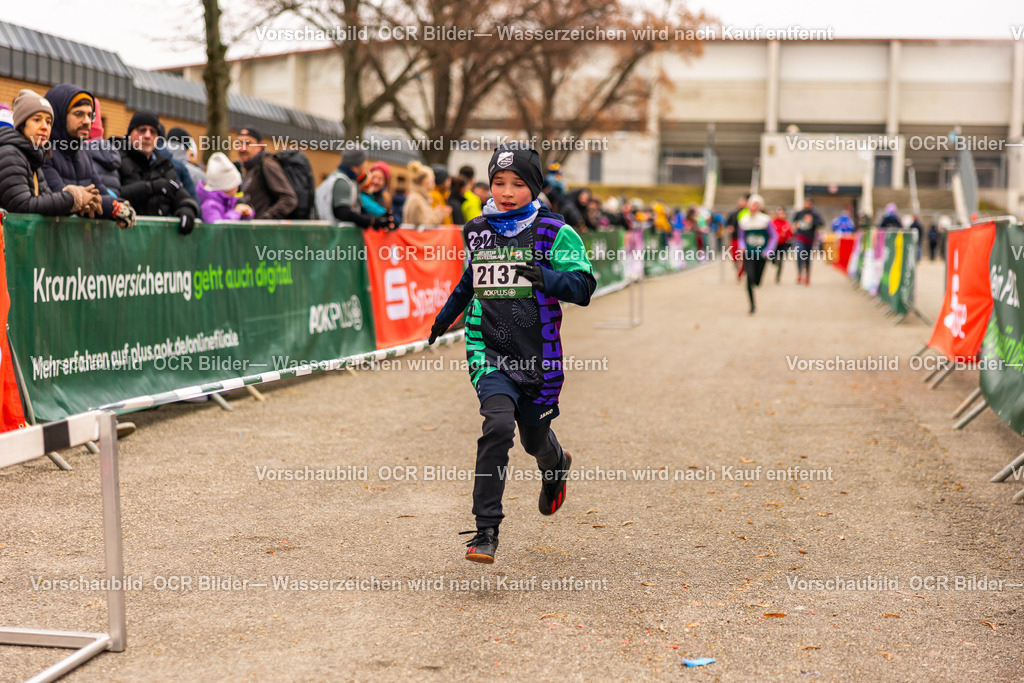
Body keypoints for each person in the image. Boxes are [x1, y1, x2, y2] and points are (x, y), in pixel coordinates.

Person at [427, 145, 596, 563]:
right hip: (489, 349)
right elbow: (470, 282)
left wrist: (547, 277)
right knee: (498, 425)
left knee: (533, 439)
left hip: (538, 357)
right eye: (499, 183)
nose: (506, 192)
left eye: (518, 184)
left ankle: (554, 463)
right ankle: (485, 532)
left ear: (534, 187)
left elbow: (583, 287)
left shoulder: (555, 231)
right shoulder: (476, 230)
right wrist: (443, 318)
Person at [41, 84, 135, 229]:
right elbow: (62, 199)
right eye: (78, 114)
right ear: (59, 115)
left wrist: (121, 204)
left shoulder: (84, 153)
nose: (86, 121)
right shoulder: (44, 153)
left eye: (90, 115)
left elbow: (101, 191)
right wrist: (112, 207)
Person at [0, 89, 99, 217]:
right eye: (37, 120)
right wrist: (73, 198)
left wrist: (75, 206)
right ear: (21, 124)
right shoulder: (10, 154)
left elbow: (45, 201)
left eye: (48, 121)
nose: (44, 127)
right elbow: (23, 206)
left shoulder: (34, 157)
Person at [117, 110, 200, 234]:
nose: (147, 135)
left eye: (153, 132)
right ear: (130, 133)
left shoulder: (164, 165)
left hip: (157, 243)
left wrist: (187, 210)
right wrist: (152, 187)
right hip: (124, 238)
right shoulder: (116, 159)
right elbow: (114, 195)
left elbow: (183, 196)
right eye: (142, 130)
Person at [314, 149, 390, 229]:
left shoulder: (348, 181)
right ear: (356, 164)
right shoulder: (341, 181)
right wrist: (372, 222)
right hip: (330, 235)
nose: (365, 165)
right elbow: (343, 213)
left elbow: (358, 210)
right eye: (364, 161)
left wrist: (379, 219)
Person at [236, 127, 298, 219]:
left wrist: (266, 218)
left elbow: (289, 199)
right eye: (239, 143)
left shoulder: (267, 165)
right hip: (253, 230)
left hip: (265, 231)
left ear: (260, 146)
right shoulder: (248, 169)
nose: (242, 148)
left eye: (248, 143)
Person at [738, 194, 777, 314]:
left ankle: (755, 282)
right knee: (749, 278)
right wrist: (742, 246)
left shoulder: (765, 220)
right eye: (751, 204)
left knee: (757, 281)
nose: (753, 207)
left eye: (756, 205)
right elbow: (741, 237)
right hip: (749, 253)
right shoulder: (744, 221)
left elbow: (774, 236)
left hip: (761, 254)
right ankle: (752, 306)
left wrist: (769, 250)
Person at [196, 152, 254, 222]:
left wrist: (246, 213)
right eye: (236, 185)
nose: (237, 188)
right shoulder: (210, 206)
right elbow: (219, 229)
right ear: (228, 187)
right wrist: (236, 212)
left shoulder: (228, 202)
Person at [402, 161, 450, 226]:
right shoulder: (416, 200)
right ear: (425, 181)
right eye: (433, 180)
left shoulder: (419, 198)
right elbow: (423, 224)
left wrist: (437, 212)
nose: (434, 183)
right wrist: (439, 214)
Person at [726, 195, 749, 280]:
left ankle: (742, 271)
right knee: (734, 256)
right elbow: (728, 223)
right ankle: (737, 267)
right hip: (734, 237)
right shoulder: (733, 214)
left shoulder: (747, 213)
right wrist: (729, 227)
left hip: (744, 238)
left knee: (743, 256)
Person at [770, 206, 793, 283]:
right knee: (773, 257)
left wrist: (788, 238)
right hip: (774, 244)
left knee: (780, 261)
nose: (781, 215)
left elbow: (790, 234)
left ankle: (778, 276)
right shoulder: (773, 222)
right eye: (779, 214)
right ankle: (774, 261)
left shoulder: (787, 224)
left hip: (783, 244)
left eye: (782, 214)